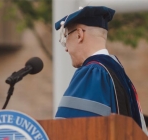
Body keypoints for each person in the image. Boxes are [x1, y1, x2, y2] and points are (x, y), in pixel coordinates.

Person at [54, 6, 148, 134]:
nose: (66, 48)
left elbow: (67, 130)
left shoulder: (93, 73)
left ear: (79, 34)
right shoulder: (119, 73)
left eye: (66, 38)